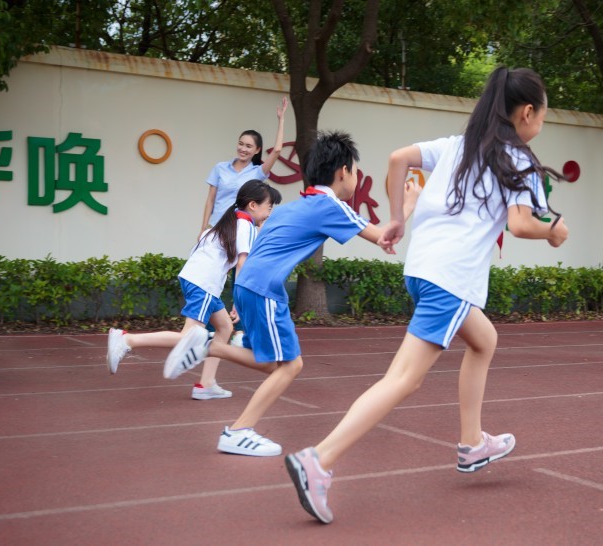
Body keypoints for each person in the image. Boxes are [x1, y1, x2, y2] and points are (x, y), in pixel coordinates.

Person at [283, 66, 570, 524]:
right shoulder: (518, 159)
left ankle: (473, 444)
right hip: (451, 279)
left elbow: (398, 159)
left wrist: (397, 218)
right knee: (403, 379)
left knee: (484, 339)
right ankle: (319, 458)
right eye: (544, 114)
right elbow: (520, 224)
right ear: (529, 113)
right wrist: (555, 231)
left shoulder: (456, 147)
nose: (542, 123)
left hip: (422, 270)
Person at [163, 130, 421, 455]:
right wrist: (407, 205)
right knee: (291, 365)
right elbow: (385, 236)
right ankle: (238, 430)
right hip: (266, 289)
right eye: (355, 170)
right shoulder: (331, 206)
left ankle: (211, 347)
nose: (356, 176)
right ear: (343, 171)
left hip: (246, 285)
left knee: (274, 364)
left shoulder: (293, 206)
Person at [106, 179, 282, 400]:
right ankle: (126, 340)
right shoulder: (245, 224)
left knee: (224, 327)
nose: (269, 213)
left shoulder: (233, 220)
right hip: (204, 283)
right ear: (253, 205)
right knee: (189, 337)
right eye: (269, 207)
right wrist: (239, 300)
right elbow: (242, 265)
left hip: (198, 280)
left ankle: (206, 384)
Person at [200, 96, 288, 347]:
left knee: (241, 276)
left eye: (249, 146)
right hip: (219, 230)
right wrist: (203, 228)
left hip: (242, 229)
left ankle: (236, 328)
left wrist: (281, 119)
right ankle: (210, 328)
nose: (243, 148)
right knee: (213, 277)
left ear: (257, 150)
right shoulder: (220, 168)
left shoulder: (257, 173)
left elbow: (279, 150)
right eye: (241, 143)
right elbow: (210, 200)